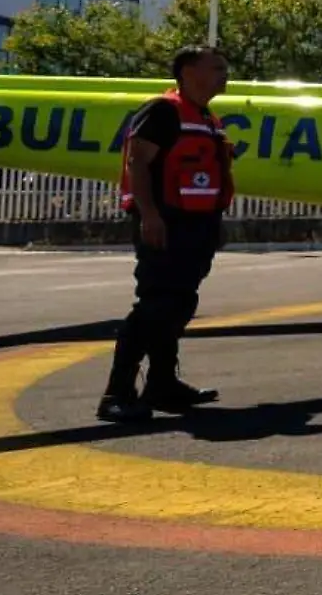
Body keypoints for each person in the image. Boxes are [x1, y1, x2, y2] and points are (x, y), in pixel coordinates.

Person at [98, 45, 234, 423]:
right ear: (189, 71)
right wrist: (150, 216)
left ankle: (162, 384)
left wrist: (215, 223)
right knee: (154, 306)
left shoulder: (206, 117)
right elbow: (137, 163)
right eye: (217, 67)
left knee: (178, 305)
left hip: (197, 226)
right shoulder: (162, 110)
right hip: (166, 222)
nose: (225, 74)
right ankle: (117, 392)